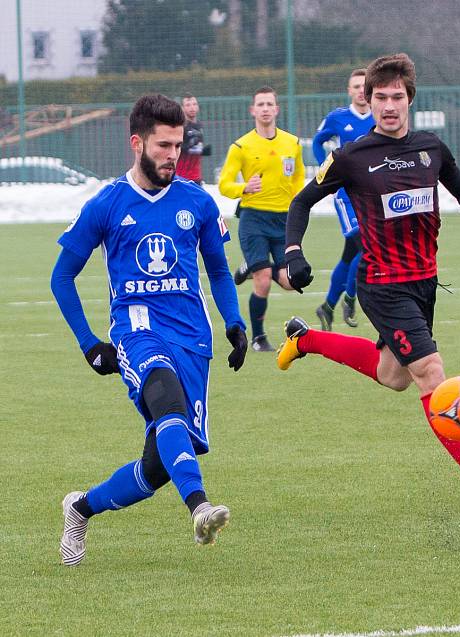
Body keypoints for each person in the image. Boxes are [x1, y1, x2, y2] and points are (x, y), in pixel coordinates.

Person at [278, 53, 460, 507]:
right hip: (382, 283)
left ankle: (306, 340)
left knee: (392, 375)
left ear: (409, 99)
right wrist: (293, 253)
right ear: (367, 101)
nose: (389, 105)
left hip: (424, 282)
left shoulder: (430, 147)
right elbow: (300, 203)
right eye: (380, 98)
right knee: (432, 374)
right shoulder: (351, 158)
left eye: (397, 96)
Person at [51, 94, 248, 566]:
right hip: (137, 332)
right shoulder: (108, 204)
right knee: (165, 397)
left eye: (178, 145)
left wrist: (235, 323)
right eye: (163, 145)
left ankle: (80, 508)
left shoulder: (197, 202)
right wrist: (89, 343)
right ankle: (199, 507)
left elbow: (218, 271)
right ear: (137, 142)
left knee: (156, 468)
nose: (173, 155)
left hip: (193, 339)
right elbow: (62, 276)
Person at [219, 86, 305, 351]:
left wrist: (297, 203)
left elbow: (299, 179)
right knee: (264, 278)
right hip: (253, 219)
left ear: (276, 109)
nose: (265, 108)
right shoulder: (241, 146)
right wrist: (243, 188)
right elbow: (224, 184)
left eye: (270, 104)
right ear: (253, 110)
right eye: (261, 104)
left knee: (290, 282)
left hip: (282, 222)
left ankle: (249, 264)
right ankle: (258, 338)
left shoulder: (292, 143)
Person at [312, 68, 375, 331]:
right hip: (346, 196)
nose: (361, 90)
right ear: (349, 90)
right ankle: (350, 298)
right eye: (356, 86)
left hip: (371, 195)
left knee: (350, 255)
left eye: (364, 86)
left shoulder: (380, 116)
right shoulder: (338, 118)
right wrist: (326, 168)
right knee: (367, 248)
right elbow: (317, 142)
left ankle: (327, 306)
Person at [175, 93, 212, 184]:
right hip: (181, 177)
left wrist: (203, 151)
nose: (192, 108)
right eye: (188, 105)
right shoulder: (180, 126)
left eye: (194, 104)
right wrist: (190, 147)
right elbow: (176, 148)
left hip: (196, 177)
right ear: (182, 108)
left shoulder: (199, 125)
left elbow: (197, 148)